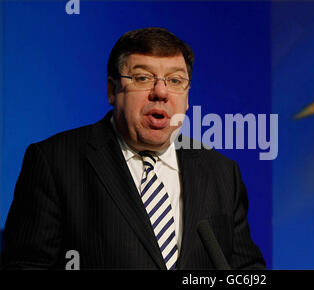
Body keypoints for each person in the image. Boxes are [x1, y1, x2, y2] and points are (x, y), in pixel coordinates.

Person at [1, 27, 265, 270]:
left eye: (175, 81)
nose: (161, 92)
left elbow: (245, 271)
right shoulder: (55, 161)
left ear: (187, 97)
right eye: (142, 77)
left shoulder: (221, 171)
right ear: (112, 90)